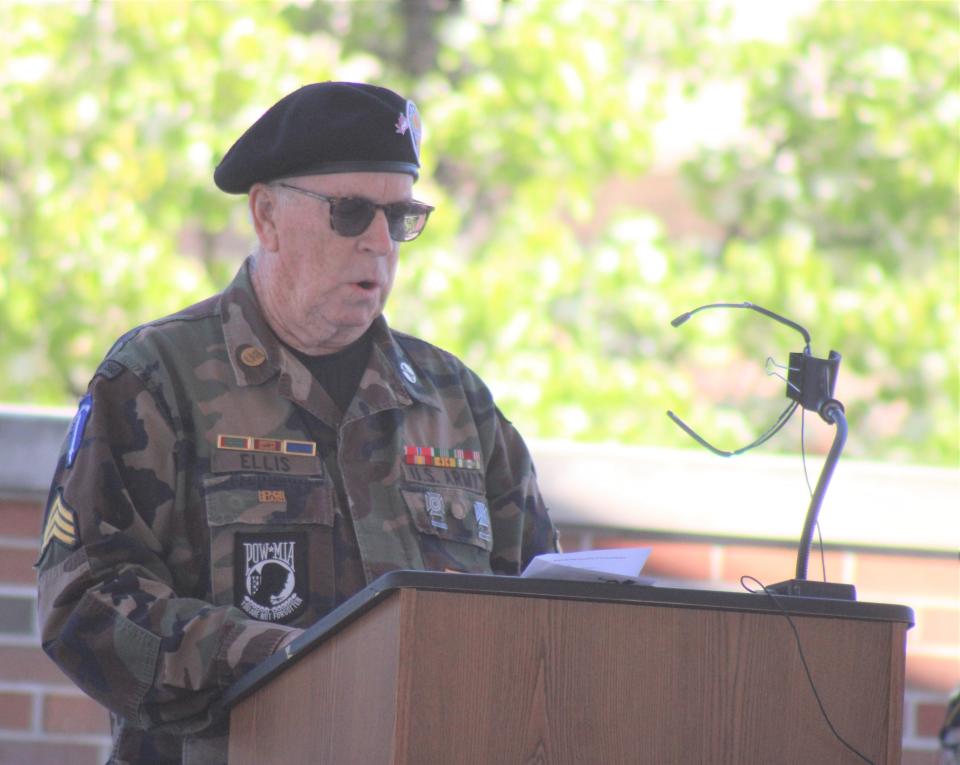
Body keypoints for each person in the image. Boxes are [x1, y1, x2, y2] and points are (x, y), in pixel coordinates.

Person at [35, 81, 559, 765]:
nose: (379, 242)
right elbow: (82, 603)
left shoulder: (454, 402)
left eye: (400, 218)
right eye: (351, 212)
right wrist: (284, 662)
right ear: (267, 215)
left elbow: (541, 604)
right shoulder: (155, 378)